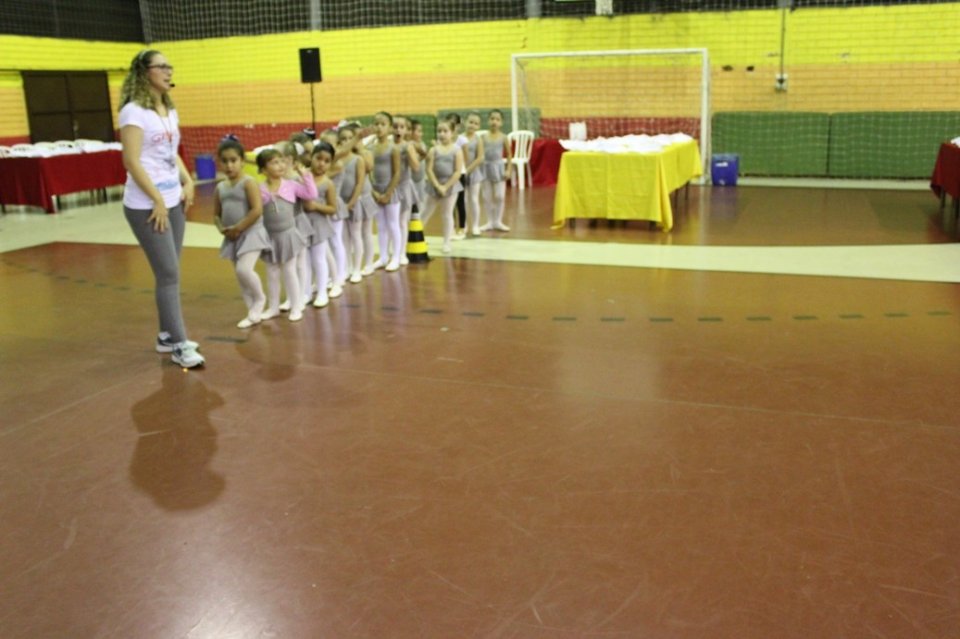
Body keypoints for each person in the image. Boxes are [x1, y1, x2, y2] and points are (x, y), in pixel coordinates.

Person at [119, 49, 203, 368]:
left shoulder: (168, 108)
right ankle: (180, 345)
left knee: (170, 272)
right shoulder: (133, 112)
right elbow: (131, 160)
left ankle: (166, 336)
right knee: (168, 273)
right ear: (144, 72)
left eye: (170, 65)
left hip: (172, 198)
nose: (168, 71)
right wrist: (155, 198)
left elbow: (170, 150)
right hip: (147, 205)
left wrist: (188, 180)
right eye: (161, 66)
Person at [213, 136, 270, 329]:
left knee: (244, 270)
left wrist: (239, 228)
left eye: (233, 160)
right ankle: (252, 311)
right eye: (225, 161)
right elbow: (216, 214)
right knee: (240, 277)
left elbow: (256, 210)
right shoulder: (220, 187)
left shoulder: (248, 182)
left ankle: (260, 299)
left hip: (251, 232)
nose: (229, 165)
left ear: (242, 161)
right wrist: (222, 229)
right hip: (232, 236)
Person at [256, 148, 316, 322]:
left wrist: (306, 176)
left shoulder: (290, 185)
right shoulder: (260, 189)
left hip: (288, 235)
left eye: (282, 161)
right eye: (274, 162)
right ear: (263, 170)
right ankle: (273, 307)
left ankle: (296, 306)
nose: (280, 165)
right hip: (270, 236)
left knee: (290, 270)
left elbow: (311, 194)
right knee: (272, 272)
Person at [302, 142, 343, 307]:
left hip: (319, 225)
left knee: (319, 259)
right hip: (302, 225)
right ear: (311, 157)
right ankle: (305, 292)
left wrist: (316, 206)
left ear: (331, 164)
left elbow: (333, 208)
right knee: (304, 261)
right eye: (318, 158)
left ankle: (321, 292)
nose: (321, 163)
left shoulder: (328, 184)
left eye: (326, 161)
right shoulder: (302, 177)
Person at [421, 120, 465, 254]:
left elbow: (458, 171)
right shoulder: (433, 150)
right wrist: (437, 185)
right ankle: (416, 237)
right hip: (434, 185)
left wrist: (446, 186)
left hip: (451, 186)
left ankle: (447, 241)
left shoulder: (457, 150)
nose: (442, 134)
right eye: (439, 131)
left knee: (447, 214)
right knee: (425, 212)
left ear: (452, 133)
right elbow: (428, 169)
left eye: (445, 131)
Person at [368, 111, 403, 272]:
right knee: (380, 225)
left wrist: (388, 192)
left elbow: (397, 172)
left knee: (393, 224)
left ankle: (396, 256)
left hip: (391, 190)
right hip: (376, 191)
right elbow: (368, 172)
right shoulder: (369, 148)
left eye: (383, 124)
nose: (379, 127)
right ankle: (383, 257)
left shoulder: (393, 148)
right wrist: (374, 192)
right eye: (376, 124)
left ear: (389, 128)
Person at [393, 115, 421, 265]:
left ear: (406, 130)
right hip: (389, 187)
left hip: (403, 186)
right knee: (391, 222)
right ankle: (393, 252)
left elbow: (416, 167)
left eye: (401, 127)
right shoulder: (386, 144)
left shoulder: (407, 146)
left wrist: (410, 153)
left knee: (402, 221)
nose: (397, 130)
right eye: (395, 126)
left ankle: (402, 253)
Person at [479, 109, 512, 232]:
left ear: (501, 122)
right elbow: (479, 154)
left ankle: (498, 221)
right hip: (485, 168)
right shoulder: (483, 137)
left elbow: (509, 154)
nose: (494, 121)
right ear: (488, 121)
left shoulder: (504, 137)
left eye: (497, 119)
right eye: (492, 119)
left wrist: (508, 169)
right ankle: (489, 221)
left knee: (499, 196)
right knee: (487, 196)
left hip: (498, 168)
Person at [461, 112, 486, 236]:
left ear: (479, 126)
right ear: (465, 122)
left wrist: (468, 169)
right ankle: (464, 225)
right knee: (463, 200)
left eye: (476, 123)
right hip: (461, 172)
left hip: (474, 173)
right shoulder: (460, 138)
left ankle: (476, 225)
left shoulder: (478, 139)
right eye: (470, 122)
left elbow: (480, 157)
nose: (472, 125)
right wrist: (461, 170)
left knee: (474, 199)